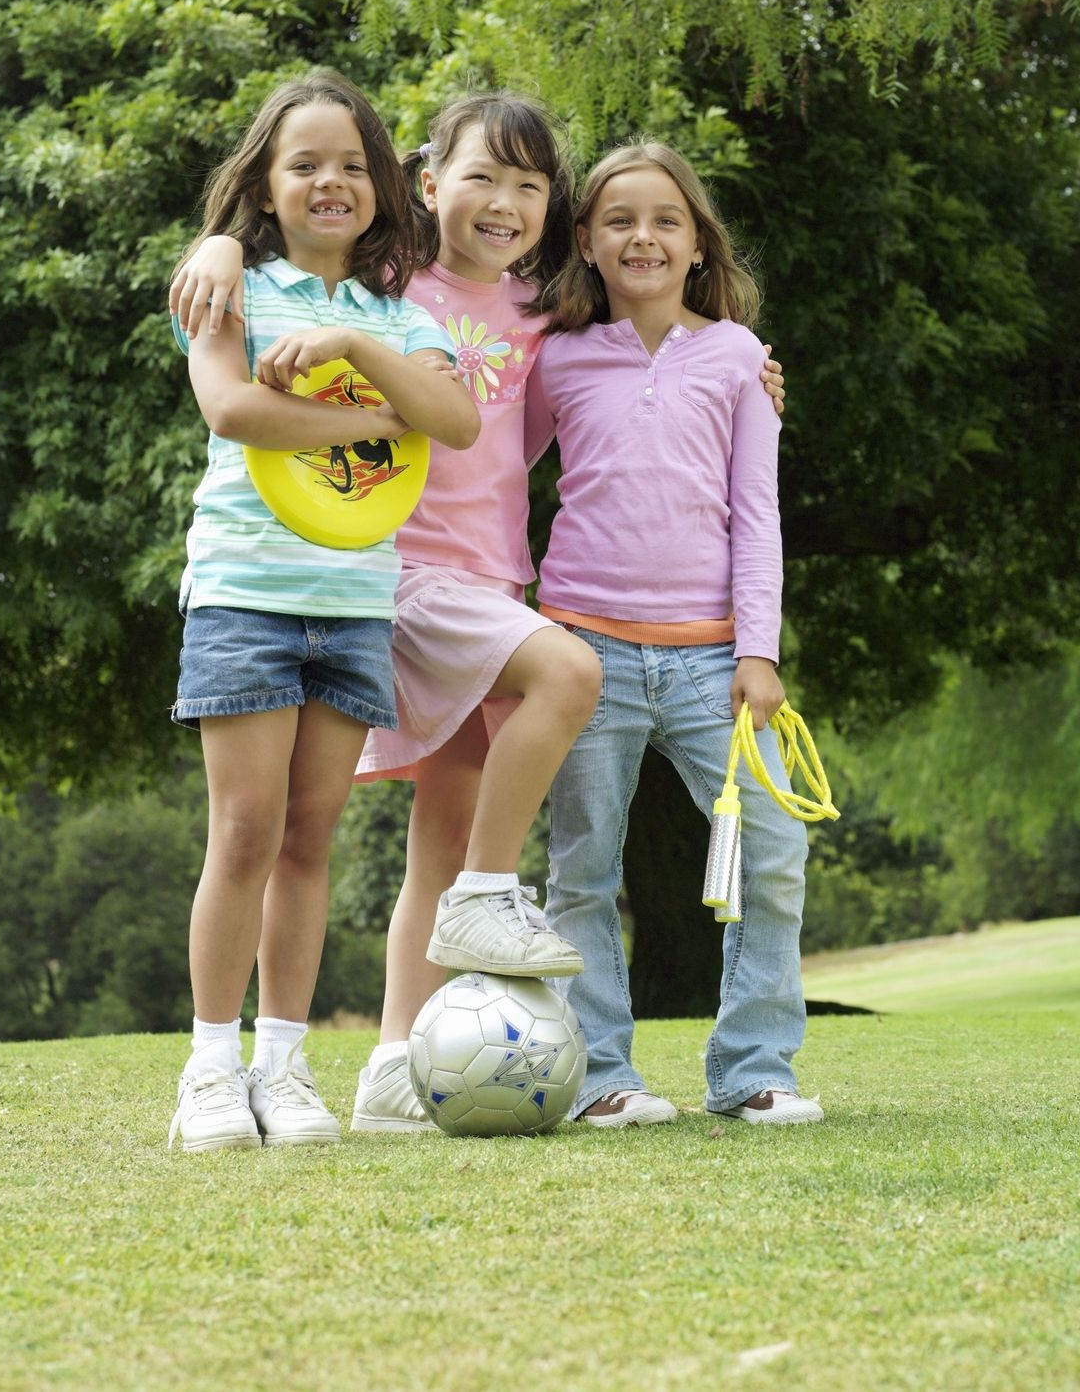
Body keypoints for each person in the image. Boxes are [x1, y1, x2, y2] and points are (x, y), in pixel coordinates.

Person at [171, 96, 787, 1134]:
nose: (501, 203)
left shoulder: (548, 319)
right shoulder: (386, 287)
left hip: (491, 580)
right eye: (479, 178)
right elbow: (294, 251)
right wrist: (221, 244)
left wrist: (732, 362)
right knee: (559, 681)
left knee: (443, 830)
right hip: (401, 578)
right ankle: (482, 906)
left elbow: (565, 408)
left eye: (528, 186)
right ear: (424, 183)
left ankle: (392, 1065)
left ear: (555, 212)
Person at [165, 69, 481, 1152]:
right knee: (244, 831)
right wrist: (372, 425)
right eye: (306, 163)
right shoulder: (232, 289)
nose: (331, 181)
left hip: (353, 606)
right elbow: (232, 406)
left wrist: (355, 356)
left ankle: (284, 1064)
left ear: (386, 188)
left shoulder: (399, 317)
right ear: (264, 183)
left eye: (353, 164)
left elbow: (457, 421)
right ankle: (210, 1067)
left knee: (311, 839)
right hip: (246, 596)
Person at [526, 141, 822, 1127]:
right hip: (582, 653)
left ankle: (750, 1067)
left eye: (665, 219)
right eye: (619, 220)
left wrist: (758, 649)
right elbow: (487, 465)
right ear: (586, 241)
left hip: (712, 662)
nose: (642, 236)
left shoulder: (740, 357)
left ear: (697, 243)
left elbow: (756, 512)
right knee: (581, 868)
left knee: (772, 848)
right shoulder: (554, 356)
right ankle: (600, 1073)